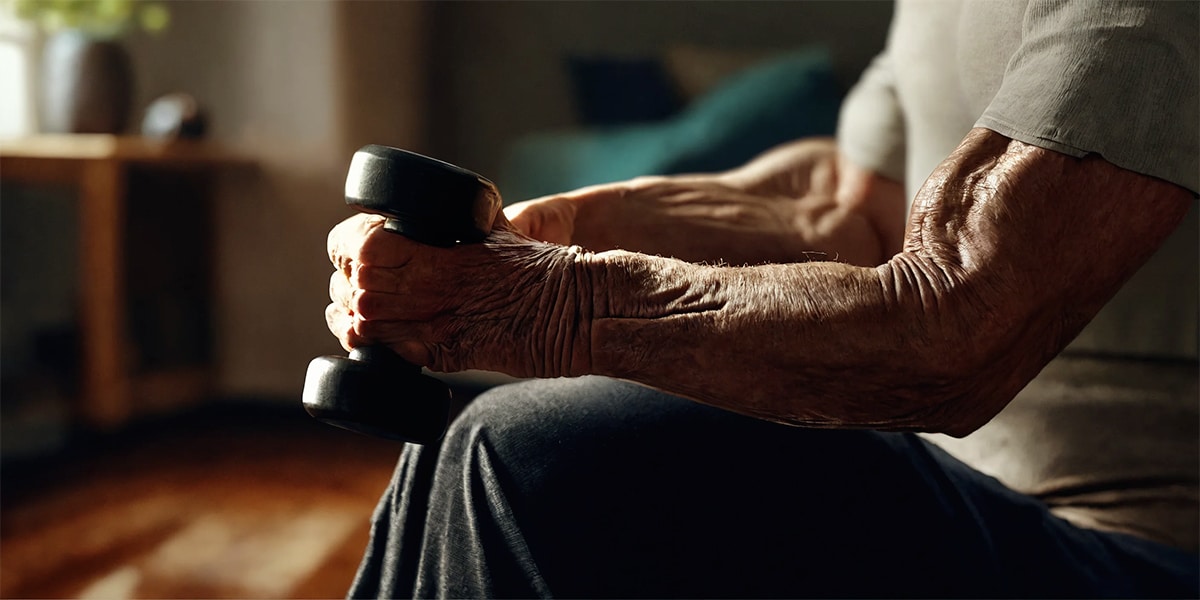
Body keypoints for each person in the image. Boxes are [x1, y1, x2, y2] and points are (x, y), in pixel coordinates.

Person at [326, 1, 1198, 597]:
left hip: (1143, 544)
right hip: (960, 483)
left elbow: (949, 328)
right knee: (458, 448)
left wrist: (555, 303)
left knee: (528, 453)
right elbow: (851, 213)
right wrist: (548, 234)